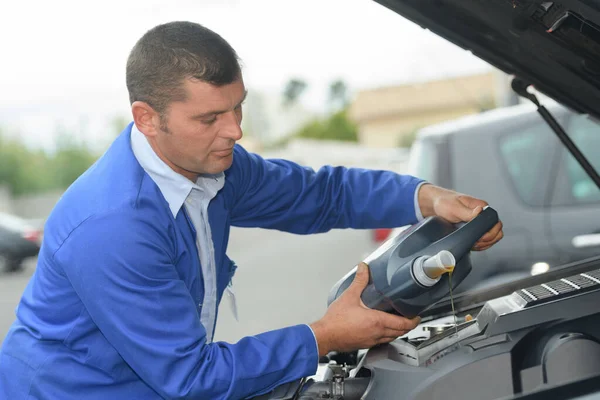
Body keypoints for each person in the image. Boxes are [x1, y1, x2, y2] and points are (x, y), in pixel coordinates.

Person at [0, 21, 503, 399]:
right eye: (210, 117)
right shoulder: (113, 228)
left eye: (237, 106)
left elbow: (320, 195)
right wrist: (323, 335)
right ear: (146, 119)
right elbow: (189, 376)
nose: (234, 131)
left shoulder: (217, 165)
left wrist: (426, 197)